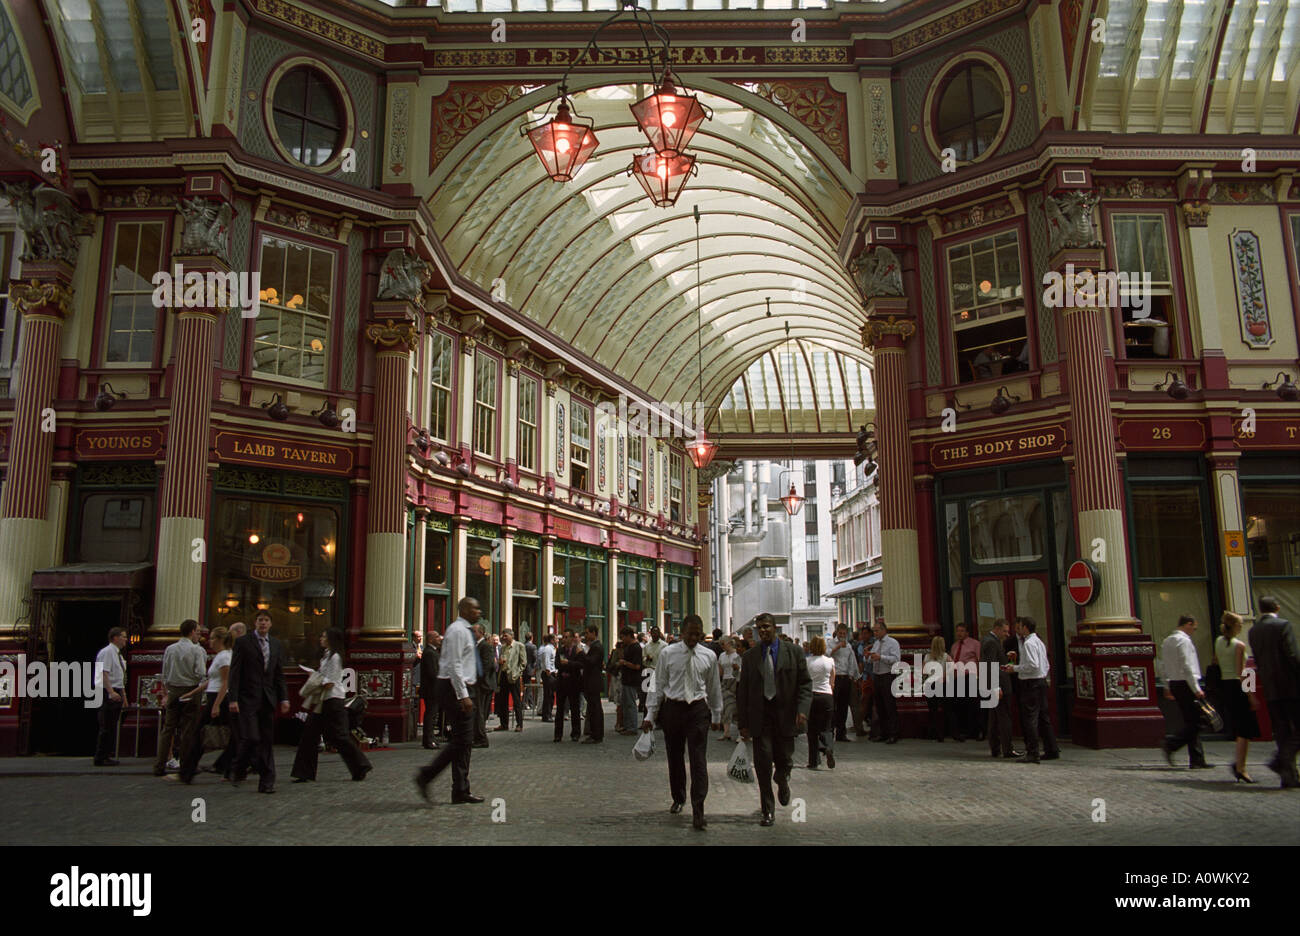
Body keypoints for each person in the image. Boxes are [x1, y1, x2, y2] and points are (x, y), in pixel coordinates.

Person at [644, 614, 722, 831]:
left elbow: (714, 686)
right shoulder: (668, 654)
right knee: (675, 756)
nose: (694, 638)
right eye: (690, 633)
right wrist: (650, 715)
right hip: (674, 708)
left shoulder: (709, 656)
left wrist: (716, 714)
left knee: (699, 760)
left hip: (697, 708)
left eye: (698, 634)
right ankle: (678, 797)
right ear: (682, 633)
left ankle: (699, 809)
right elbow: (657, 685)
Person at [737, 612, 812, 827]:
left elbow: (805, 684)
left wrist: (802, 709)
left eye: (766, 627)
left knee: (784, 759)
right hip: (761, 718)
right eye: (759, 628)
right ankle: (767, 810)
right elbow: (743, 692)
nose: (762, 631)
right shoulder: (750, 657)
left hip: (786, 716)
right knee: (762, 765)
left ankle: (783, 778)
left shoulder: (794, 653)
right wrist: (743, 723)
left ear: (775, 628)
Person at [416, 598, 484, 804]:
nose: (478, 611)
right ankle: (427, 775)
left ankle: (461, 789)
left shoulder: (465, 630)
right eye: (475, 608)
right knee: (461, 740)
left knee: (465, 741)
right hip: (453, 687)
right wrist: (463, 695)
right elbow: (454, 665)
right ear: (463, 609)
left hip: (462, 686)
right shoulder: (457, 631)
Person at [291, 629, 372, 783]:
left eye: (323, 636)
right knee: (310, 735)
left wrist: (314, 677)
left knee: (339, 736)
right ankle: (304, 772)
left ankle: (360, 766)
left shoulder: (335, 658)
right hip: (324, 701)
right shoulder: (327, 656)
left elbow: (330, 682)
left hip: (333, 700)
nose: (321, 638)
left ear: (330, 639)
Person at [228, 611, 290, 793]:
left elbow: (278, 674)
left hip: (267, 698)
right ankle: (238, 766)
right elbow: (235, 672)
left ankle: (267, 782)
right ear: (254, 623)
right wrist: (233, 698)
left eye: (266, 620)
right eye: (260, 620)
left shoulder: (277, 645)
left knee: (267, 740)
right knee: (252, 737)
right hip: (247, 698)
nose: (263, 623)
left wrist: (284, 697)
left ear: (271, 624)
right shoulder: (243, 642)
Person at [1248, 596, 1300, 788]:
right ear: (1277, 607)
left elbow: (1252, 666)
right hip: (1290, 686)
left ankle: (1289, 776)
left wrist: (1252, 691)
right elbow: (1292, 654)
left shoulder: (1253, 631)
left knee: (1282, 731)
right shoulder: (1283, 625)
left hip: (1270, 688)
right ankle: (1280, 760)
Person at [177, 626, 232, 783]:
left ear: (221, 640)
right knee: (234, 735)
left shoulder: (224, 657)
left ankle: (187, 772)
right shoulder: (221, 656)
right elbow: (213, 680)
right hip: (215, 697)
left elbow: (226, 682)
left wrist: (216, 705)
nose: (210, 641)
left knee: (199, 735)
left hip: (219, 698)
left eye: (213, 638)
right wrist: (193, 692)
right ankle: (228, 768)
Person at [153, 619, 207, 777]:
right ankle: (185, 765)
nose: (199, 634)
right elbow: (200, 672)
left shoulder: (170, 648)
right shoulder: (196, 650)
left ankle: (159, 765)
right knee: (188, 729)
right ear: (191, 632)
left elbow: (165, 670)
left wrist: (166, 691)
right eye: (197, 631)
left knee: (168, 728)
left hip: (173, 690)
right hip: (190, 689)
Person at [1158, 614, 1212, 769]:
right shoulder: (1184, 641)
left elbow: (1163, 666)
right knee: (1198, 721)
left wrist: (1167, 686)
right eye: (1194, 627)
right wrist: (1196, 688)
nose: (1194, 631)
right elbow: (1187, 666)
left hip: (1175, 683)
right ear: (1188, 624)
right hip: (1186, 684)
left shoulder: (1167, 641)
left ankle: (1197, 759)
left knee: (1191, 720)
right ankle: (1171, 744)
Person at [1006, 616, 1059, 764]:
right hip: (1041, 682)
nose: (1019, 629)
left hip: (1030, 684)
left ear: (1025, 628)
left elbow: (1033, 665)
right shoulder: (1039, 642)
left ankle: (1033, 752)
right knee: (1044, 717)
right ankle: (1051, 749)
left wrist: (1014, 668)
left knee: (1030, 719)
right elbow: (1045, 664)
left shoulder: (1028, 643)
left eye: (1020, 626)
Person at [1214, 612, 1259, 782]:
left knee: (1240, 727)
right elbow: (1242, 673)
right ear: (1234, 626)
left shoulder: (1218, 642)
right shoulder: (1239, 645)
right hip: (1238, 687)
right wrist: (1251, 695)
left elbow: (1216, 662)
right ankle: (1241, 767)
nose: (1241, 627)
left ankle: (1240, 765)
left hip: (1226, 686)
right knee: (1245, 730)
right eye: (1240, 624)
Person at [981, 619, 1020, 758]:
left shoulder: (990, 640)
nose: (1007, 634)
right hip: (998, 685)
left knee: (994, 718)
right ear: (996, 629)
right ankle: (1007, 749)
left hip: (995, 683)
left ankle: (996, 748)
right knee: (1003, 717)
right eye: (1004, 631)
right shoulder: (991, 642)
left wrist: (1008, 659)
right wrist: (996, 687)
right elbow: (990, 665)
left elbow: (997, 663)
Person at [92, 626, 128, 766]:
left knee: (112, 724)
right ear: (115, 637)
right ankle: (100, 756)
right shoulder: (107, 652)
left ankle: (107, 754)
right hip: (107, 691)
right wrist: (111, 692)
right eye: (123, 636)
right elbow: (104, 673)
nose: (126, 639)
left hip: (116, 690)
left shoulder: (117, 654)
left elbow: (120, 676)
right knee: (106, 724)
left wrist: (123, 696)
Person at [213, 621, 246, 778]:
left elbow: (227, 680)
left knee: (239, 734)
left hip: (236, 697)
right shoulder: (229, 653)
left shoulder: (229, 654)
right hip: (232, 697)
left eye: (231, 632)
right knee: (238, 734)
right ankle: (230, 766)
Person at [805, 635, 835, 769]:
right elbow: (832, 682)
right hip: (827, 695)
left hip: (811, 696)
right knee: (826, 727)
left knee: (812, 730)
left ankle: (813, 761)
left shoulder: (807, 661)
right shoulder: (830, 661)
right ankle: (828, 746)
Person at [868, 621, 901, 743]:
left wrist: (881, 657)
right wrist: (870, 657)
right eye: (874, 631)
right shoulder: (876, 643)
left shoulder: (892, 643)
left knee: (889, 705)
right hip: (877, 675)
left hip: (888, 675)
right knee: (880, 706)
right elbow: (873, 657)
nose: (875, 633)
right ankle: (883, 732)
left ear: (883, 630)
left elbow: (896, 659)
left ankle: (894, 733)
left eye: (876, 630)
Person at [949, 623, 981, 742]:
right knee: (960, 704)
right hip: (958, 678)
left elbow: (979, 659)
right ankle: (965, 730)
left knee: (973, 705)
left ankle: (976, 731)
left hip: (970, 676)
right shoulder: (954, 646)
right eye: (958, 631)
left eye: (962, 631)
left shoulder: (975, 644)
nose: (959, 633)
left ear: (967, 633)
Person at [829, 625, 860, 743]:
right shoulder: (831, 643)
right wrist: (837, 647)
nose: (842, 636)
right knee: (833, 706)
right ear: (836, 632)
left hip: (845, 678)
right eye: (840, 633)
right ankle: (830, 732)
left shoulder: (849, 646)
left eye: (844, 634)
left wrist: (854, 676)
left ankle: (841, 734)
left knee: (843, 707)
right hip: (834, 678)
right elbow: (826, 655)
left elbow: (852, 662)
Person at [553, 629, 583, 742]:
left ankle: (575, 733)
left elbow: (581, 664)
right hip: (562, 683)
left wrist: (569, 664)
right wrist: (564, 666)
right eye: (563, 637)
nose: (564, 640)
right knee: (559, 710)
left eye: (566, 637)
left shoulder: (577, 651)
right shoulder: (560, 650)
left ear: (572, 638)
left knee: (574, 710)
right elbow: (557, 664)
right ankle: (557, 734)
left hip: (573, 683)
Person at [923, 636, 954, 742]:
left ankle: (936, 733)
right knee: (948, 709)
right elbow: (951, 670)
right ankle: (954, 733)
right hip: (943, 684)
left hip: (930, 684)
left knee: (933, 710)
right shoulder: (946, 656)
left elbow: (924, 671)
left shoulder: (927, 657)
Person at [495, 629, 526, 732]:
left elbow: (523, 662)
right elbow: (501, 660)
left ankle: (519, 724)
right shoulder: (502, 648)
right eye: (503, 636)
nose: (503, 638)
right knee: (502, 701)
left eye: (505, 636)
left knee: (517, 701)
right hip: (503, 675)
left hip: (513, 677)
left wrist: (517, 673)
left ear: (511, 636)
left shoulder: (519, 646)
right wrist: (500, 662)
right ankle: (504, 724)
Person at [580, 624, 605, 743]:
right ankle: (595, 733)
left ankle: (596, 734)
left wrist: (581, 654)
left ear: (594, 633)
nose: (586, 635)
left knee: (595, 708)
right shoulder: (593, 646)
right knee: (593, 708)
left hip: (594, 681)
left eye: (587, 633)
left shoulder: (597, 647)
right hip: (591, 681)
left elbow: (591, 662)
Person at [473, 624, 497, 747]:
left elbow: (486, 666)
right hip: (478, 684)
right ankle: (477, 736)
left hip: (483, 685)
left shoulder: (485, 646)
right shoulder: (476, 645)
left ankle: (481, 739)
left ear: (481, 633)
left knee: (480, 712)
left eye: (474, 631)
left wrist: (476, 678)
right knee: (478, 712)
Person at [616, 627, 643, 734]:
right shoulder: (628, 646)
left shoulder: (636, 648)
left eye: (623, 637)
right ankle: (627, 726)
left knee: (630, 704)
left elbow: (637, 666)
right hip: (626, 679)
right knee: (625, 704)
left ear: (628, 636)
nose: (622, 640)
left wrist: (625, 663)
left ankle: (632, 727)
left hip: (632, 680)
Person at [420, 630, 442, 749]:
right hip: (431, 689)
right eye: (437, 637)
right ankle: (428, 740)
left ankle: (430, 738)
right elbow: (432, 672)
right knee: (430, 714)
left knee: (432, 714)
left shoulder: (433, 652)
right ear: (430, 640)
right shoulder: (430, 653)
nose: (440, 638)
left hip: (433, 689)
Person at [718, 636, 741, 741]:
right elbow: (720, 670)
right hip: (725, 681)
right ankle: (726, 732)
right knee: (725, 706)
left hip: (734, 680)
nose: (722, 646)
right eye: (720, 644)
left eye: (723, 644)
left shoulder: (736, 655)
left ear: (729, 643)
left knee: (735, 707)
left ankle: (739, 732)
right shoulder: (722, 655)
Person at [537, 632, 557, 722]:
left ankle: (548, 714)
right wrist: (548, 670)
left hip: (551, 673)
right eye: (556, 639)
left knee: (550, 695)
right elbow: (546, 660)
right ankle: (546, 715)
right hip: (548, 673)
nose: (557, 640)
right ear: (552, 640)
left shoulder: (552, 648)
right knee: (548, 695)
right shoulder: (548, 649)